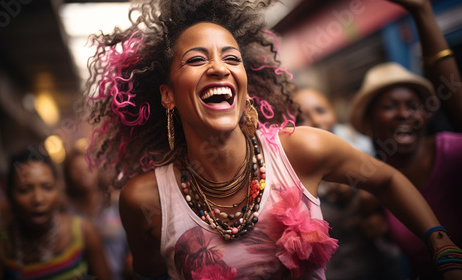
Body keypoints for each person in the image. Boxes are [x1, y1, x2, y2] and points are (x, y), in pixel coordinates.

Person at [85, 0, 462, 279]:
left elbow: (385, 178)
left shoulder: (301, 151)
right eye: (197, 60)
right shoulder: (145, 201)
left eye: (232, 59)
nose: (219, 67)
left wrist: (441, 244)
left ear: (245, 87)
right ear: (167, 95)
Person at [348, 0, 462, 279]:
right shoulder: (373, 186)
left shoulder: (453, 151)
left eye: (413, 106)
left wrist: (421, 11)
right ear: (369, 122)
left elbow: (455, 96)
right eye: (389, 107)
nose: (404, 115)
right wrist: (371, 216)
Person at [291, 87, 405, 280]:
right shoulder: (292, 176)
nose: (317, 121)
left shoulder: (361, 148)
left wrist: (374, 205)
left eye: (321, 111)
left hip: (386, 266)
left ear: (333, 111)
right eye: (302, 119)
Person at [0, 149, 111, 280]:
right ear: (10, 196)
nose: (38, 199)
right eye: (25, 190)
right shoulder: (0, 246)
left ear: (58, 191)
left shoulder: (84, 231)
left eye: (47, 187)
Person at [64, 148, 132, 280]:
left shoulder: (116, 204)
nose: (83, 172)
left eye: (88, 166)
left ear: (98, 170)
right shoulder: (67, 213)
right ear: (68, 175)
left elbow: (135, 240)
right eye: (76, 168)